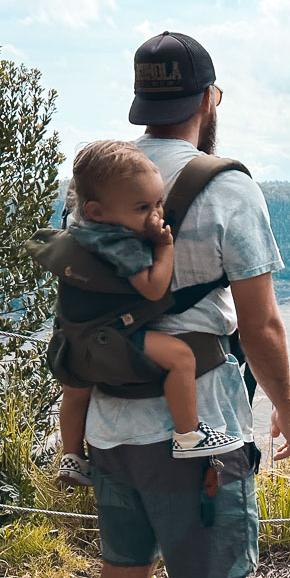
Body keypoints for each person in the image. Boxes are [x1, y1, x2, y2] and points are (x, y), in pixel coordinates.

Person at [82, 31, 290, 578]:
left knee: (123, 572)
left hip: (110, 424)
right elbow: (262, 323)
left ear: (143, 103)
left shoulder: (100, 185)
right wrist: (284, 408)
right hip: (198, 433)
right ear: (210, 100)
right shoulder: (229, 188)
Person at [56, 140, 240, 488]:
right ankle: (188, 435)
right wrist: (165, 246)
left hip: (74, 342)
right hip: (114, 339)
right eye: (142, 208)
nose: (155, 216)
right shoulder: (121, 245)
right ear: (96, 210)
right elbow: (154, 288)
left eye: (158, 203)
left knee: (75, 392)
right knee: (181, 358)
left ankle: (71, 456)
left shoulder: (78, 231)